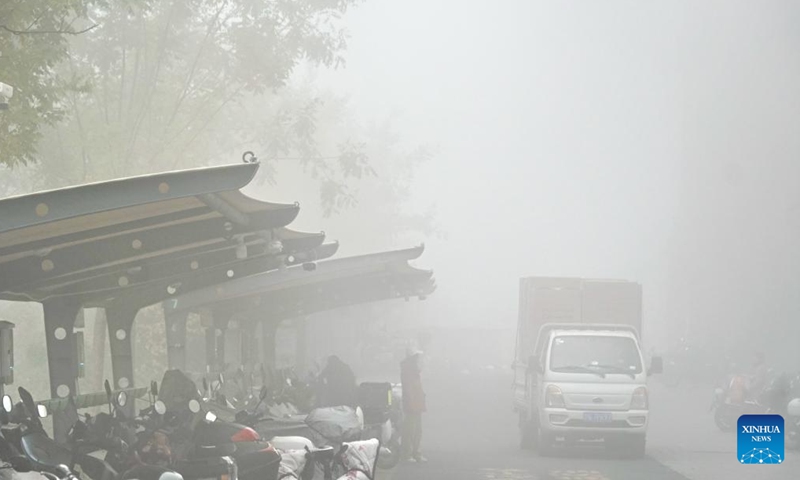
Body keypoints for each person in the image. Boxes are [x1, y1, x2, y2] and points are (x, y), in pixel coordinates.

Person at [400, 349, 427, 463]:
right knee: (410, 430)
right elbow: (408, 388)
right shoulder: (408, 369)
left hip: (417, 403)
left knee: (417, 430)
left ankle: (416, 453)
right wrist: (411, 402)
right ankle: (407, 454)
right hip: (412, 404)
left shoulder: (414, 369)